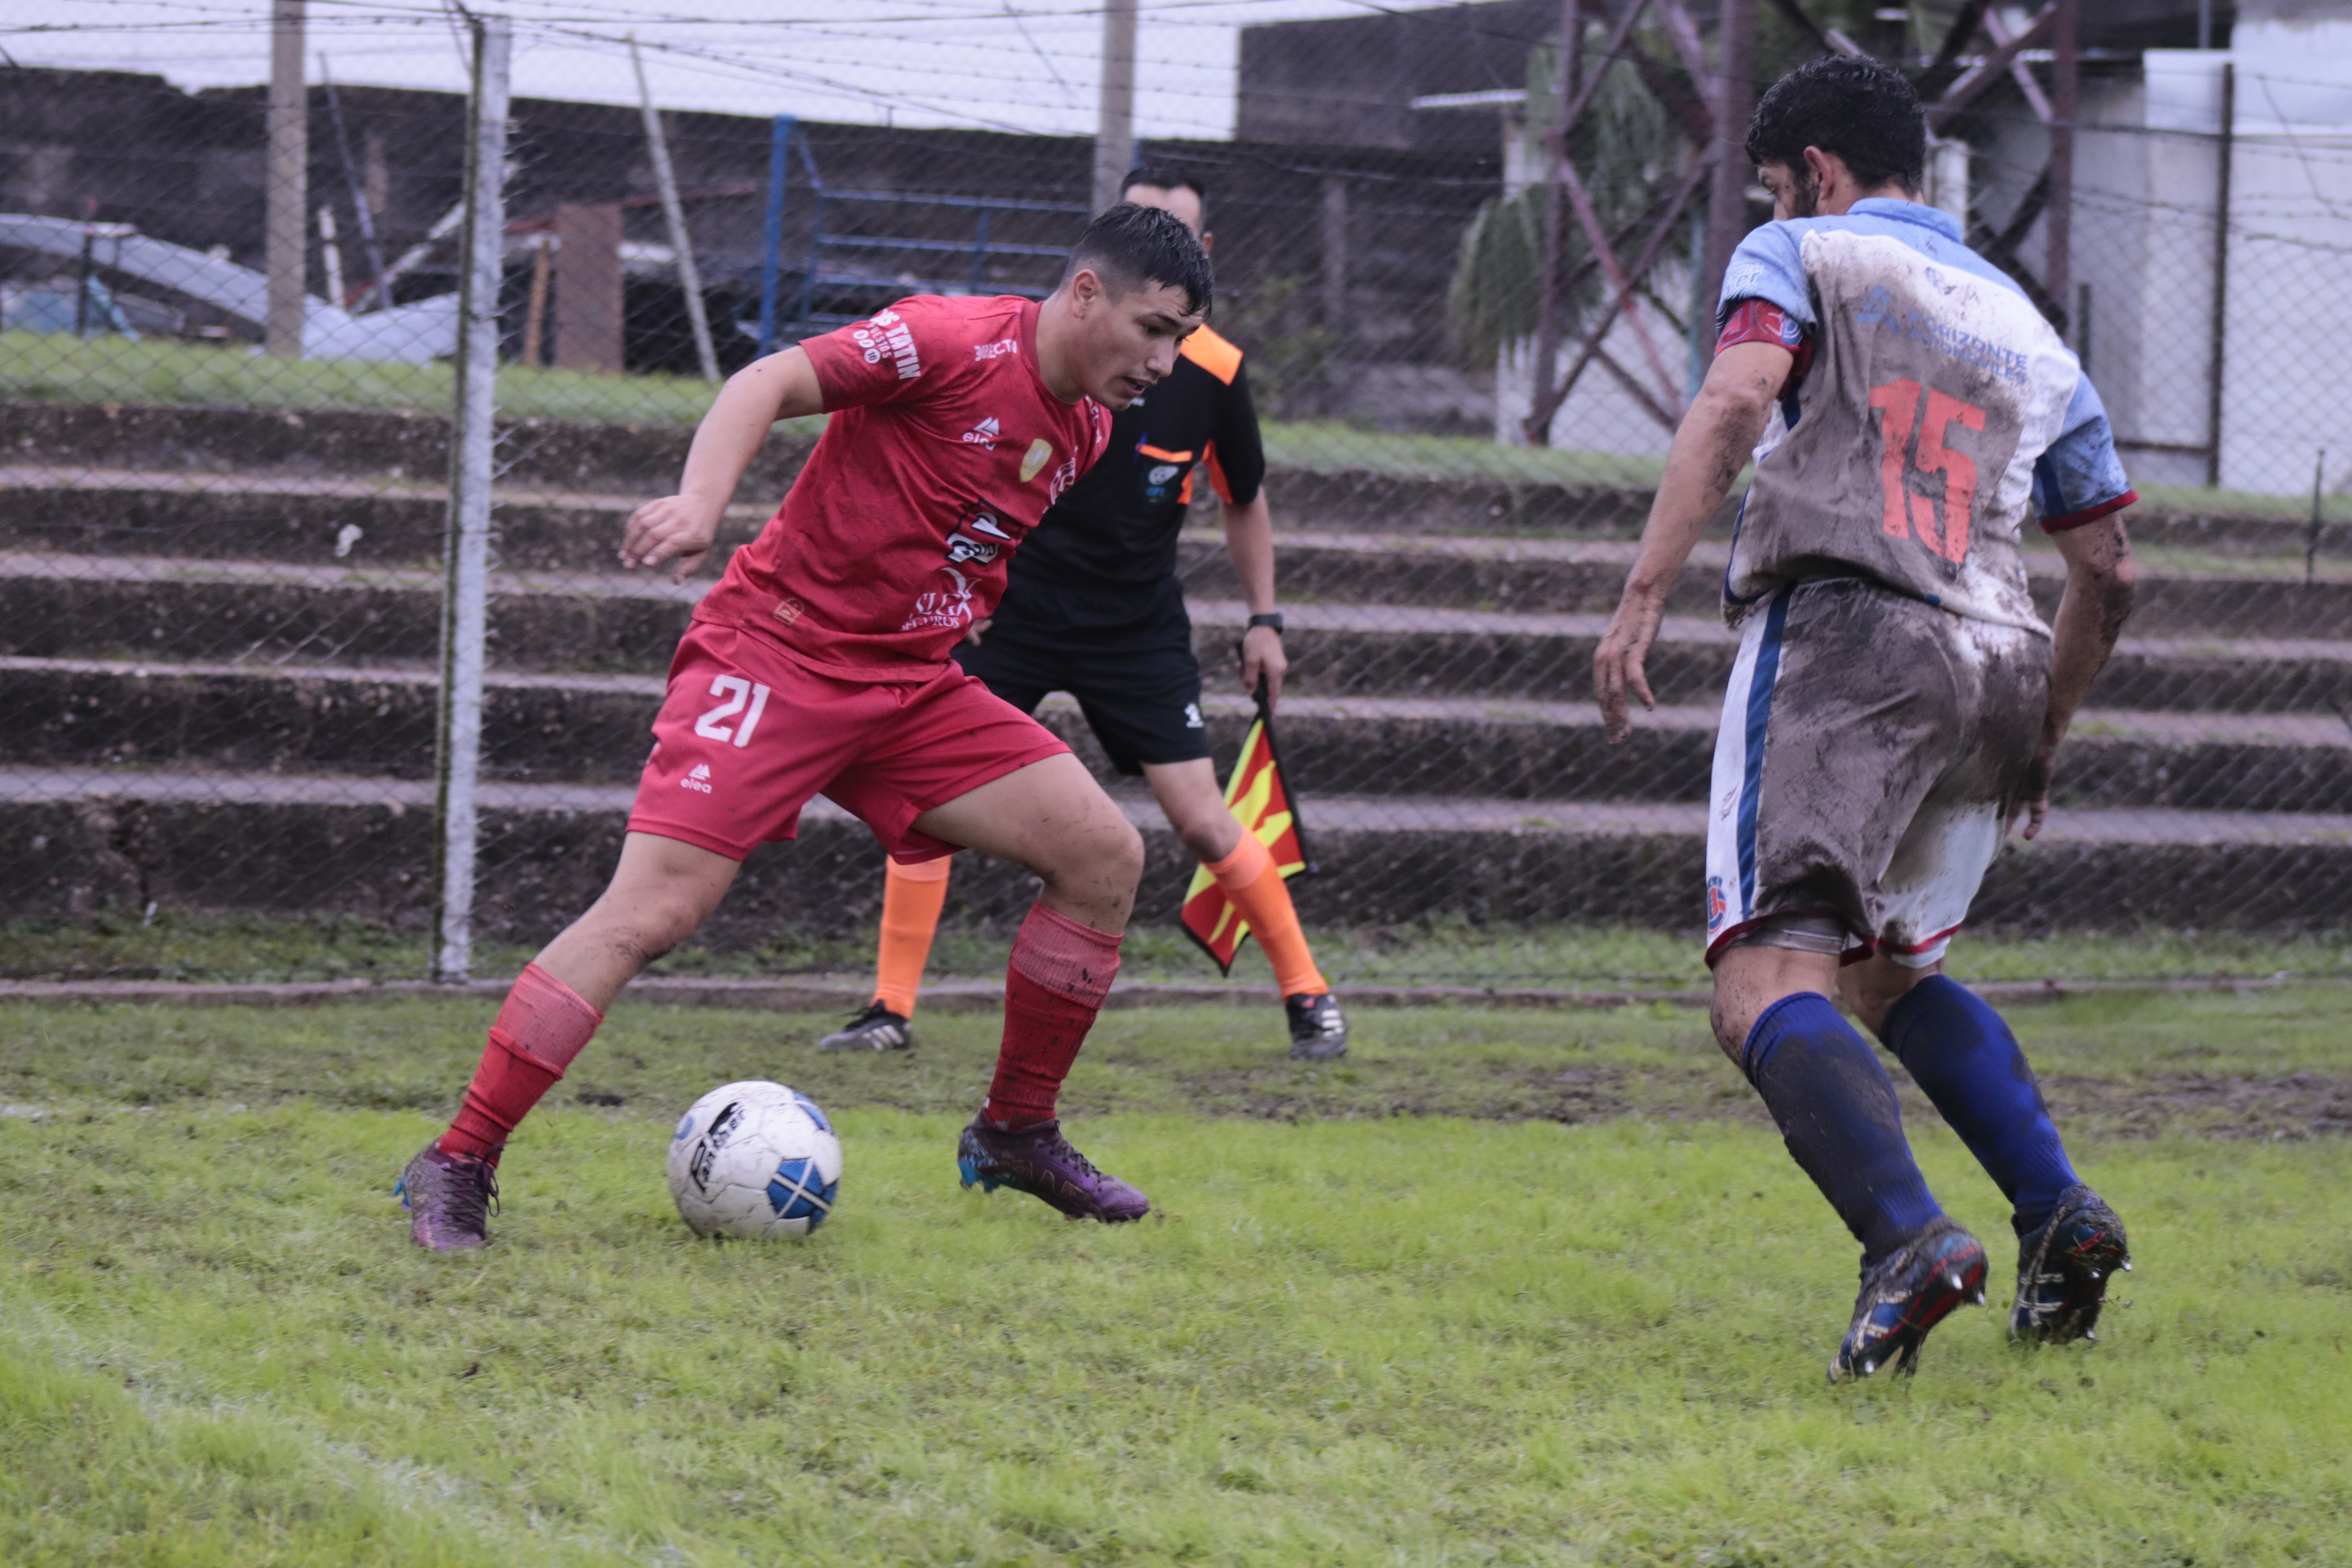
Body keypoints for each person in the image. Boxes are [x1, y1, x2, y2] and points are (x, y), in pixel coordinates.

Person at [396, 204, 1215, 1249]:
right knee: (654, 911)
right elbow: (766, 380)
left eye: (1181, 341)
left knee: (1103, 854)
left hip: (909, 687)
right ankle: (457, 1158)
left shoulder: (1090, 428)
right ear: (1089, 292)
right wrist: (700, 502)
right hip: (775, 658)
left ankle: (1017, 1131)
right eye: (1153, 328)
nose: (1163, 359)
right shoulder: (951, 341)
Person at [1592, 56, 2138, 1382]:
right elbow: (2110, 569)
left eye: (1780, 184)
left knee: (1762, 984)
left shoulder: (1800, 250)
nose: (1777, 203)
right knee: (1891, 974)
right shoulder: (2028, 326)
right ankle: (2057, 1209)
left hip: (1849, 643)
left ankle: (1907, 1242)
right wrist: (2044, 733)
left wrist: (1643, 594)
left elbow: (1734, 402)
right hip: (1996, 659)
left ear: (1815, 176)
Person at [817, 167, 1348, 1062]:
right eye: (1138, 225)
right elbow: (963, 465)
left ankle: (1309, 994)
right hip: (1011, 610)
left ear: (1201, 257)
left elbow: (1244, 498)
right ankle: (889, 1008)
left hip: (1134, 627)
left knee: (1203, 818)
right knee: (926, 799)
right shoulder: (1039, 347)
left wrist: (1267, 618)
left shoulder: (1210, 368)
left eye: (1175, 232)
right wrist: (961, 583)